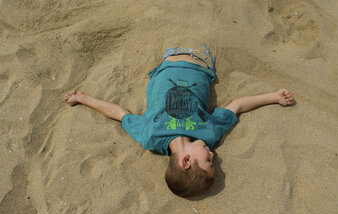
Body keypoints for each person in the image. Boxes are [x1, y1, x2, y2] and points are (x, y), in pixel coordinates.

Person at [64, 46, 295, 198]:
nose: (214, 157)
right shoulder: (210, 134)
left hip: (168, 59)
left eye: (208, 162)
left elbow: (119, 113)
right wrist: (273, 97)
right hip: (203, 60)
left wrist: (82, 99)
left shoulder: (150, 136)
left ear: (185, 161)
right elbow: (237, 106)